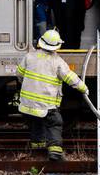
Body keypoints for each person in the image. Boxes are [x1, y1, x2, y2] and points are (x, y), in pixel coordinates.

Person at [17, 29, 89, 162]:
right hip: (46, 106)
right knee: (55, 123)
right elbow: (70, 78)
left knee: (36, 122)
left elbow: (19, 74)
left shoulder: (29, 56)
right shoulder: (58, 62)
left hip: (26, 105)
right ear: (57, 46)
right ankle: (55, 152)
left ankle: (37, 149)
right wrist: (83, 88)